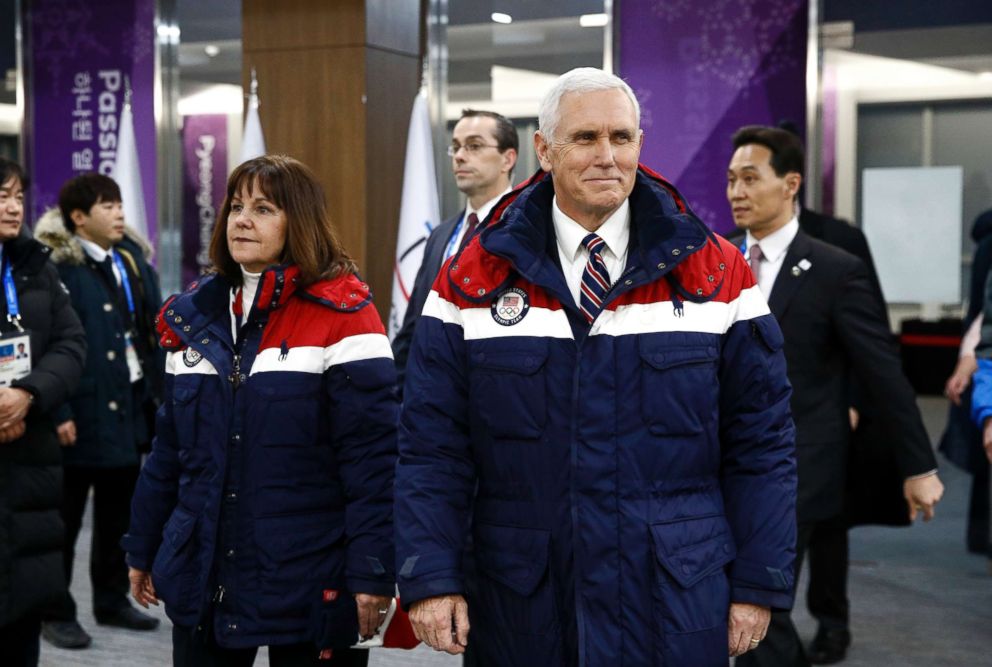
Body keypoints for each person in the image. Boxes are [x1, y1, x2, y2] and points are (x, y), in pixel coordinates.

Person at [394, 68, 797, 666]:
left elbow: (763, 444)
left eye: (623, 137)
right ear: (544, 149)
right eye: (585, 138)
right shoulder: (471, 278)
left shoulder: (716, 273)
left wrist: (759, 585)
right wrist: (431, 577)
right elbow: (431, 446)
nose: (608, 156)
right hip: (521, 601)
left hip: (674, 598)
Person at [121, 155, 398, 666]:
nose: (242, 219)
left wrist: (373, 572)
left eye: (264, 208)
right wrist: (143, 546)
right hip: (205, 567)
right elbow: (168, 453)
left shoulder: (346, 317)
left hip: (310, 574)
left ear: (299, 221)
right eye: (236, 206)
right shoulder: (192, 317)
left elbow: (373, 463)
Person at [726, 125, 944, 667]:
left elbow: (883, 373)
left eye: (751, 178)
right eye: (731, 180)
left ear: (791, 183)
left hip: (800, 464)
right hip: (721, 464)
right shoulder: (717, 261)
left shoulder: (833, 268)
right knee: (734, 608)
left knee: (759, 608)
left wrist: (918, 466)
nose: (737, 192)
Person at [33, 174, 163, 649]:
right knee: (62, 522)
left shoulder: (128, 261)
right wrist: (58, 407)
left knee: (118, 515)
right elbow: (47, 345)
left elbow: (148, 332)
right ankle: (54, 610)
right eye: (107, 206)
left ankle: (110, 599)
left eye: (120, 203)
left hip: (126, 411)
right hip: (78, 415)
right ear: (78, 218)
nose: (119, 214)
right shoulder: (56, 268)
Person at [0, 157, 87, 666]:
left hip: (29, 455)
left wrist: (27, 396)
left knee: (21, 608)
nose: (13, 207)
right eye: (2, 196)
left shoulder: (35, 266)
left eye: (17, 196)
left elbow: (71, 343)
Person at [391, 108, 518, 387]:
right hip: (433, 397)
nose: (460, 156)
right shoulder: (440, 235)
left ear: (508, 159)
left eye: (474, 146)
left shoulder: (525, 228)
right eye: (457, 147)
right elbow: (414, 326)